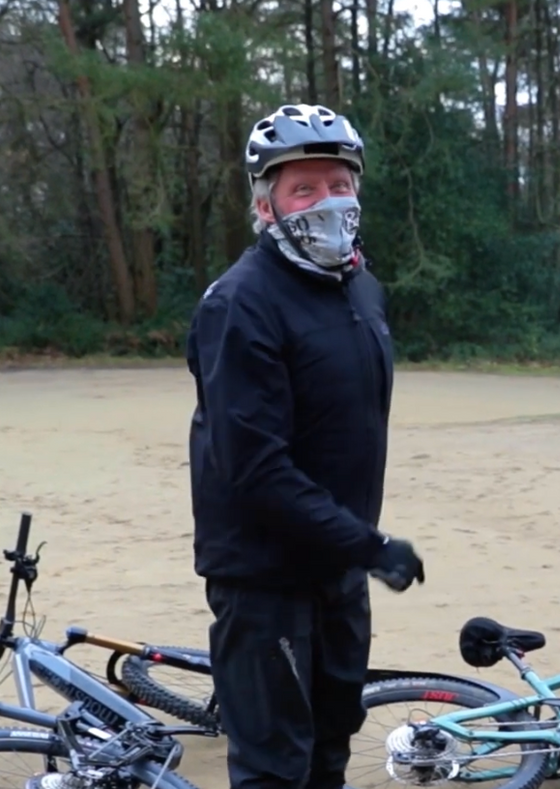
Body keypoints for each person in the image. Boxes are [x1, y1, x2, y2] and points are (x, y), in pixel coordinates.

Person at [185, 103, 425, 789]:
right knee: (275, 768)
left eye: (339, 183)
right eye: (304, 188)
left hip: (337, 570)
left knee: (329, 751)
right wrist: (371, 546)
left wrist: (354, 549)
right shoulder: (240, 304)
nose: (328, 201)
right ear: (266, 207)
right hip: (265, 578)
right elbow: (254, 467)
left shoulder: (362, 289)